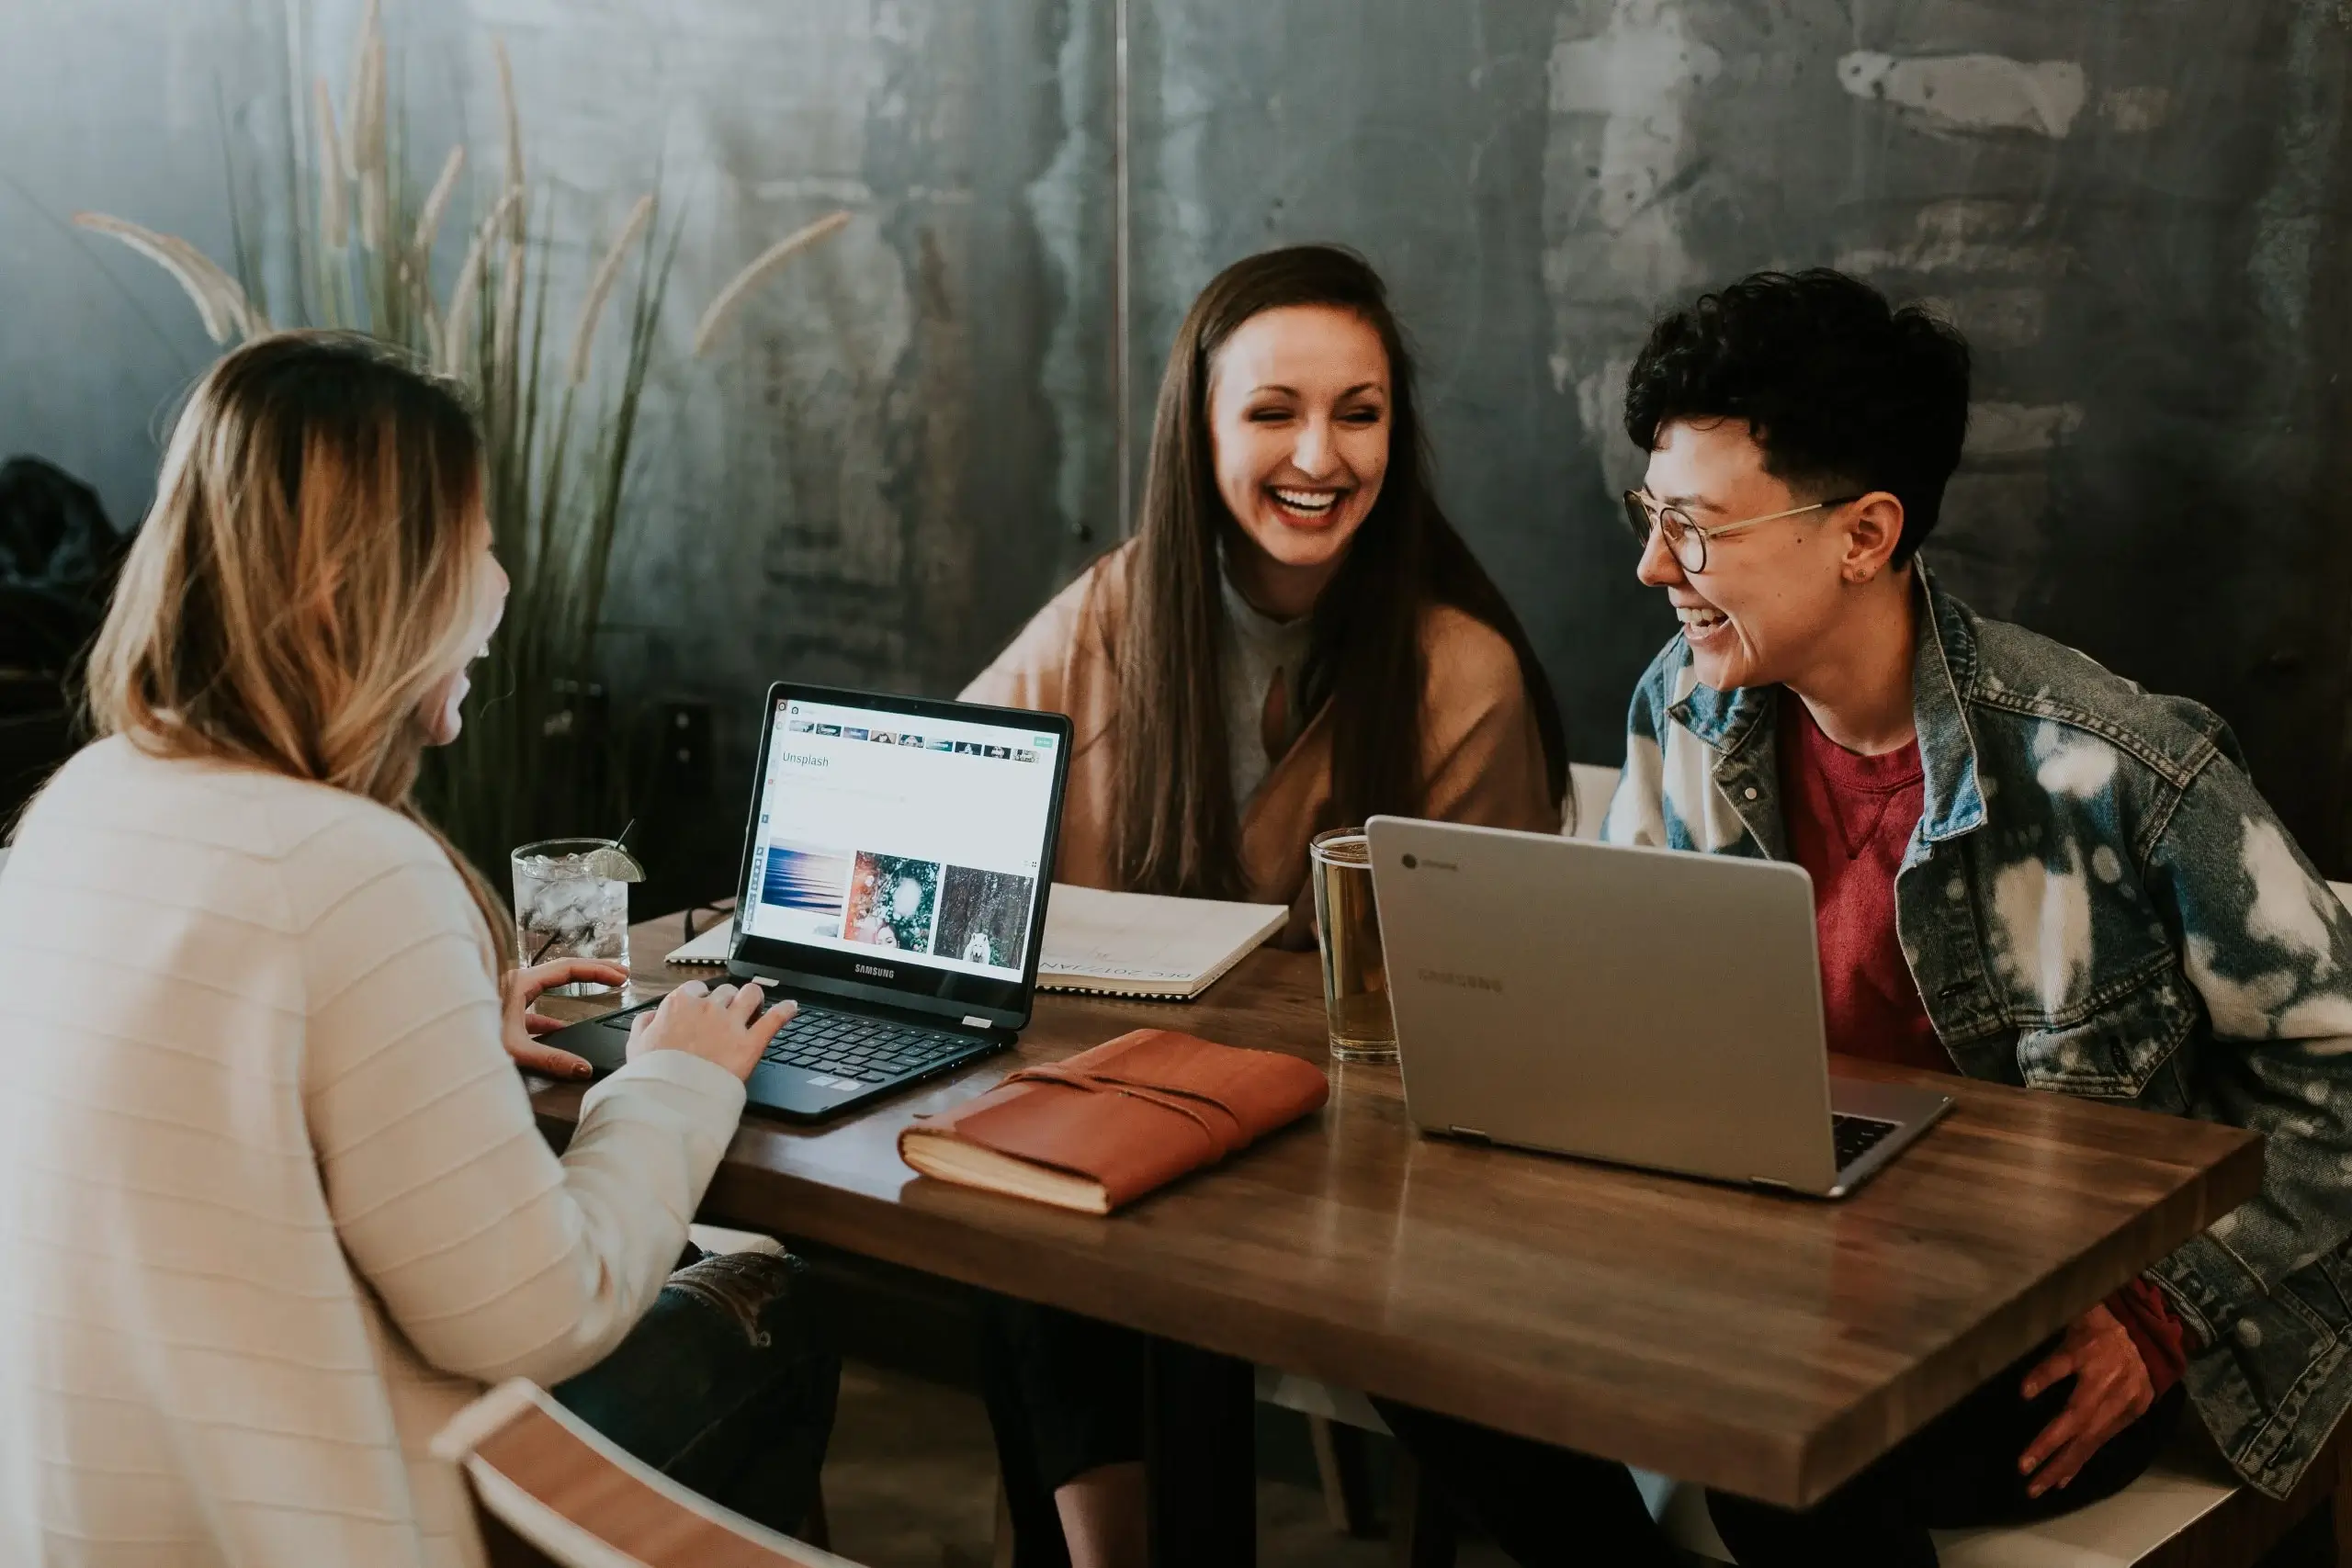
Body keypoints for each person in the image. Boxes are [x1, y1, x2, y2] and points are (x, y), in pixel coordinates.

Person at [1374, 267, 2352, 1567]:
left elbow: (2333, 1070)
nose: (1652, 563)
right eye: (1651, 514)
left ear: (1864, 533)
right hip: (1770, 1271)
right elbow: (1632, 1031)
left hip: (2035, 1318)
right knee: (1411, 1335)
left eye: (1699, 528)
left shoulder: (2114, 768)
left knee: (1790, 1445)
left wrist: (2168, 1312)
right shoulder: (1686, 707)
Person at [0, 333, 837, 1568]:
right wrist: (678, 1075)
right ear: (363, 586)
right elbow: (537, 1313)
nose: (499, 582)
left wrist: (440, 1025)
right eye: (475, 542)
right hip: (312, 1528)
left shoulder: (78, 804)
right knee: (779, 1306)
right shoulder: (352, 867)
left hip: (96, 1522)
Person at [961, 244, 1568, 1568]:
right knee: (1024, 1212)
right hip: (1130, 1128)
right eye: (1274, 411)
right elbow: (959, 798)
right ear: (1202, 429)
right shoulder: (1120, 607)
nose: (1322, 453)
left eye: (1360, 412)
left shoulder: (1459, 673)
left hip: (1358, 1173)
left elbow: (1480, 1006)